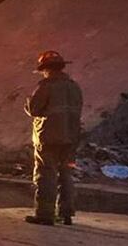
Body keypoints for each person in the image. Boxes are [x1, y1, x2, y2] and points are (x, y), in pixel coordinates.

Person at [24, 50, 83, 226]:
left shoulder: (46, 86)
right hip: (71, 138)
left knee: (46, 174)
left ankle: (45, 214)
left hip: (48, 138)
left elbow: (34, 110)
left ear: (46, 69)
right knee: (66, 174)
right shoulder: (74, 87)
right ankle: (66, 213)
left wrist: (28, 100)